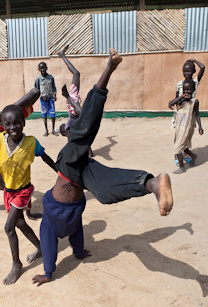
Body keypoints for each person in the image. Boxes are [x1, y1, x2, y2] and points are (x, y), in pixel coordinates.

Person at [32, 49, 174, 286]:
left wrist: (48, 272)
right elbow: (75, 230)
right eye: (66, 129)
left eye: (66, 128)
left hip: (67, 177)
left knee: (85, 129)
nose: (66, 129)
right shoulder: (63, 214)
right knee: (106, 190)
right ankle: (152, 183)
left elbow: (87, 119)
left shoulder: (69, 152)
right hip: (78, 191)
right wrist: (76, 253)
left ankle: (108, 68)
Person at [0, 104, 57, 285]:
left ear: (23, 123)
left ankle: (16, 264)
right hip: (8, 191)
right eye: (7, 124)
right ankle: (40, 247)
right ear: (2, 125)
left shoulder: (31, 142)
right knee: (20, 223)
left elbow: (45, 156)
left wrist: (60, 172)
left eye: (16, 123)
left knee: (9, 228)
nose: (12, 127)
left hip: (23, 191)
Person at [58, 44, 94, 157]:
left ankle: (62, 55)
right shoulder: (71, 125)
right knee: (76, 73)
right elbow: (80, 111)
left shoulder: (70, 125)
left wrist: (68, 97)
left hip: (72, 99)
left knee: (76, 73)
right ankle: (62, 55)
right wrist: (67, 96)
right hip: (72, 100)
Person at [168, 79, 204, 174]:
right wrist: (180, 97)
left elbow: (197, 115)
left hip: (187, 128)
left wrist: (200, 126)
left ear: (193, 90)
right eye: (184, 89)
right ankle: (193, 156)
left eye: (189, 90)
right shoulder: (180, 100)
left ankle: (182, 167)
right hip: (179, 127)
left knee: (177, 147)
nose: (186, 92)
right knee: (183, 146)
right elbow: (170, 104)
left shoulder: (194, 101)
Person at [34, 62, 57, 137]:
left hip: (50, 98)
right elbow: (36, 90)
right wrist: (41, 95)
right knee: (44, 114)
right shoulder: (38, 79)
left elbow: (54, 87)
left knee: (53, 114)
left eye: (44, 68)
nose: (43, 70)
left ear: (46, 68)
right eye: (41, 69)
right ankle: (46, 130)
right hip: (43, 99)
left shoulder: (51, 77)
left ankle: (53, 130)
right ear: (39, 69)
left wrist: (55, 95)